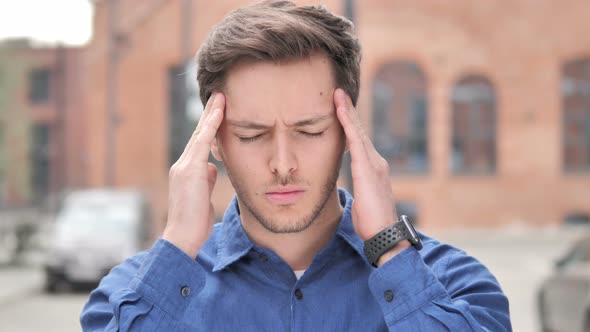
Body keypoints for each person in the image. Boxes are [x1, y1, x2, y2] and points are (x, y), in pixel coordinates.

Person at [80, 1, 511, 331]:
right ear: (215, 142)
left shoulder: (456, 286)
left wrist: (390, 246)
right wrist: (177, 245)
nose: (282, 164)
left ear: (348, 134)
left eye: (309, 131)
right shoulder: (129, 298)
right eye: (251, 135)